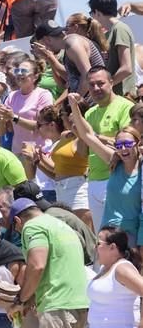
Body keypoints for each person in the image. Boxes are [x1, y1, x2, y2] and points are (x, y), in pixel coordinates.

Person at [8, 198, 89, 328]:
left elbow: (37, 266)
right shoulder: (61, 225)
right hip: (80, 305)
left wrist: (20, 301)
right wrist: (30, 300)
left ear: (18, 221)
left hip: (57, 307)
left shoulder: (32, 227)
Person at [69, 95, 142, 242]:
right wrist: (74, 107)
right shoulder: (114, 160)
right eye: (119, 145)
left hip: (133, 236)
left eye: (128, 144)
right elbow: (87, 135)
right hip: (109, 234)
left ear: (137, 144)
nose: (123, 149)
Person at [80, 67, 135, 229]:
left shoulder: (125, 107)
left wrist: (94, 137)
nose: (96, 88)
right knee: (101, 236)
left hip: (117, 178)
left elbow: (129, 143)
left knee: (119, 234)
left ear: (111, 83)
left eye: (100, 83)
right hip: (94, 181)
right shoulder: (89, 113)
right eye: (92, 85)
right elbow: (84, 152)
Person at [32, 105, 92, 228]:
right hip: (61, 190)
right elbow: (57, 172)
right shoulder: (65, 136)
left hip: (77, 189)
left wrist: (78, 126)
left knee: (84, 231)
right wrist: (39, 161)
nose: (62, 119)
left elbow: (84, 144)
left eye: (63, 116)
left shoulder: (81, 138)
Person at [33, 18, 105, 96]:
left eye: (41, 44)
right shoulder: (68, 47)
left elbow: (87, 75)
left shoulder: (72, 44)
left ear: (47, 39)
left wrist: (76, 100)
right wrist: (49, 57)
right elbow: (70, 77)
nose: (44, 48)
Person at [0, 58, 54, 155]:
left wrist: (13, 117)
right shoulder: (12, 96)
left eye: (23, 71)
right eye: (17, 70)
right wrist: (1, 120)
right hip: (18, 151)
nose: (19, 74)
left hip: (39, 152)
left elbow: (41, 126)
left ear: (35, 76)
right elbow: (5, 131)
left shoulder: (43, 95)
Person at [88, 0, 137, 96]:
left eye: (91, 13)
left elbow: (126, 68)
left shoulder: (119, 29)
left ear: (97, 12)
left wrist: (108, 85)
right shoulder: (109, 33)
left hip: (123, 95)